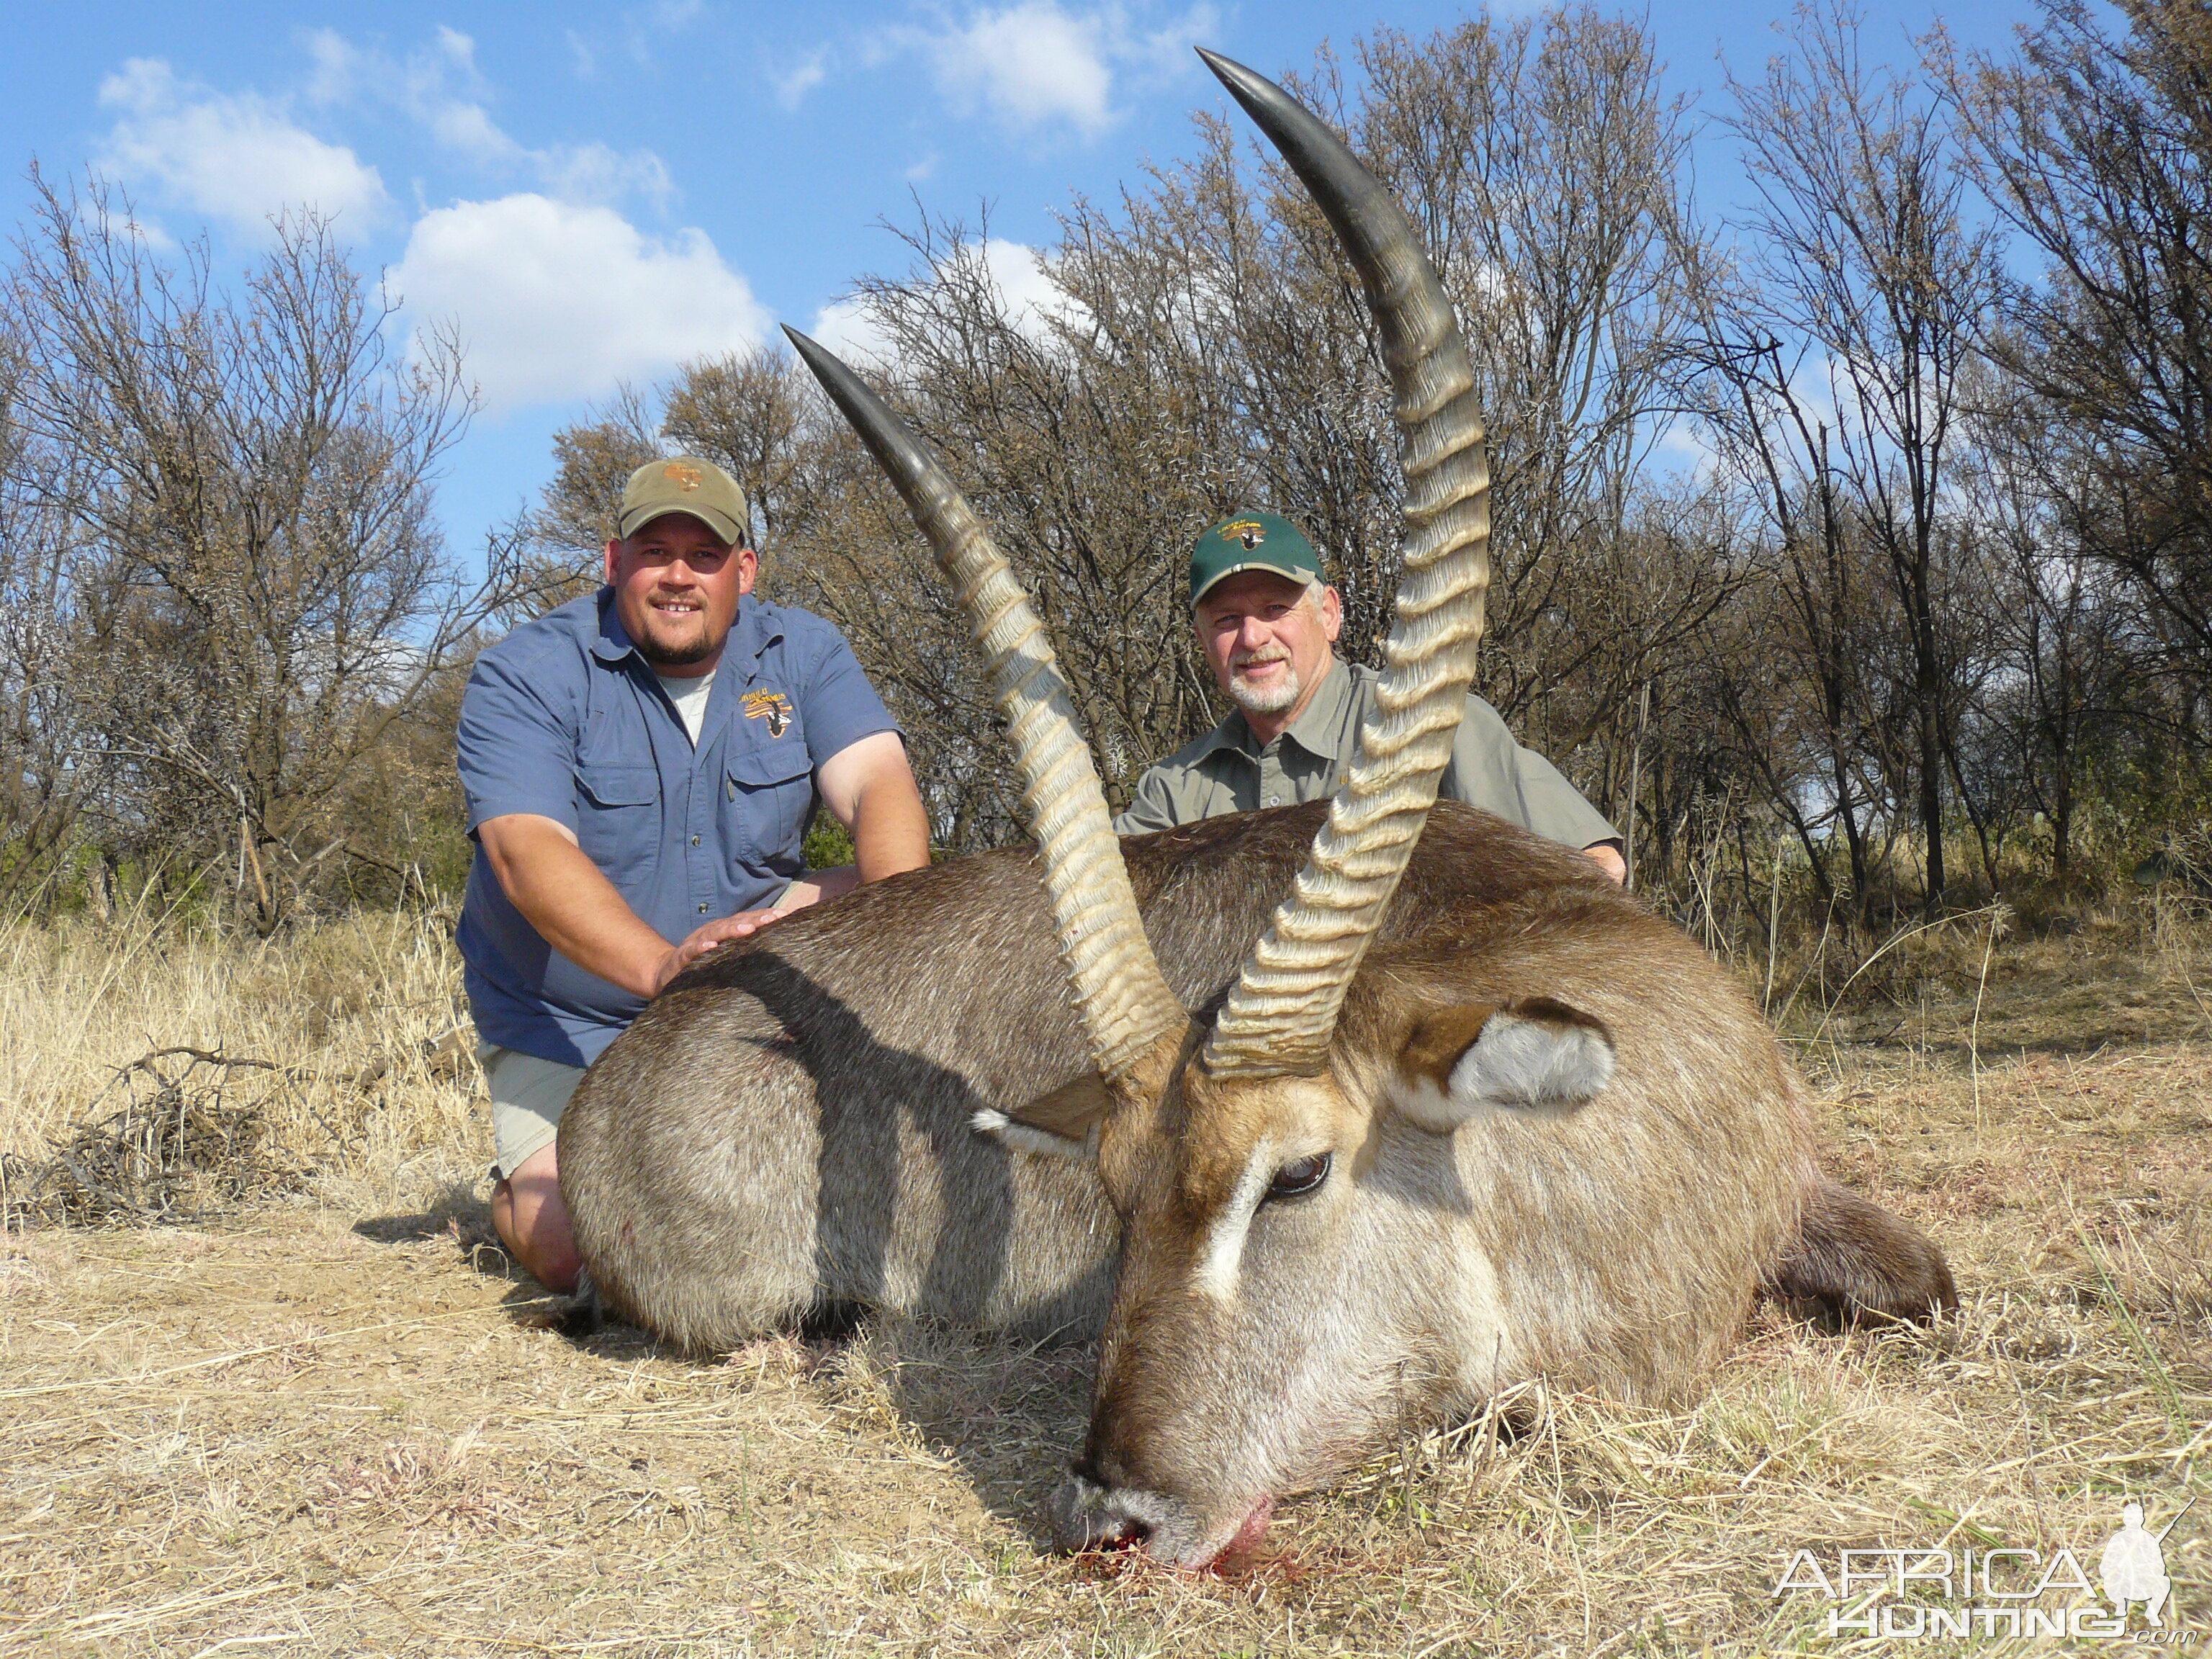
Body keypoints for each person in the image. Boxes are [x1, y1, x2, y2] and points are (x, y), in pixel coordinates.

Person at [457, 455, 931, 1291]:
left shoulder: (805, 651)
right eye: (654, 552)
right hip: (574, 1015)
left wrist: (903, 948)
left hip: (745, 971)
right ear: (613, 562)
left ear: (743, 571)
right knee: (582, 1248)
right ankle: (518, 1184)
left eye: (704, 556)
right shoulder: (525, 672)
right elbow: (524, 855)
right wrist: (664, 969)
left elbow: (878, 784)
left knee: (917, 901)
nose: (679, 576)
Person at [1114, 510, 1627, 882]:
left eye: (1276, 609)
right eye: (1228, 621)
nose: (1253, 639)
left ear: (1330, 614)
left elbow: (1599, 869)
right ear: (1203, 641)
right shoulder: (1173, 791)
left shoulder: (1429, 724)